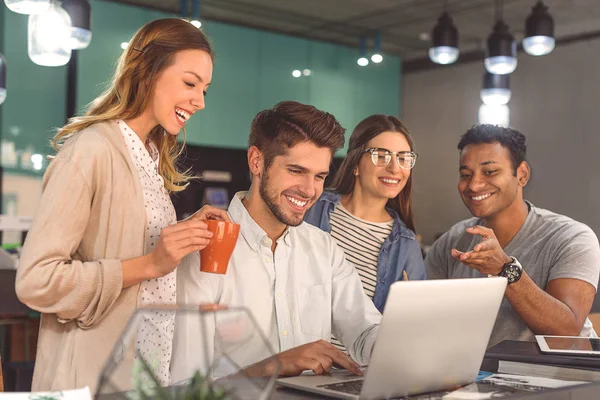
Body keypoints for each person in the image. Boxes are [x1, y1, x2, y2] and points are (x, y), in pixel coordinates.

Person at [15, 18, 227, 391]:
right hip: (89, 378)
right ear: (147, 71)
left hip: (143, 374)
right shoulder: (90, 150)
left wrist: (184, 231)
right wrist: (150, 264)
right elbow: (36, 281)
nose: (201, 101)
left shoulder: (148, 155)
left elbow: (130, 241)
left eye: (205, 89)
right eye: (190, 83)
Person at [172, 101, 381, 382]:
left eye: (320, 176)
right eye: (296, 171)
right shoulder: (204, 247)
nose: (309, 190)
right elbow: (184, 385)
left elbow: (366, 332)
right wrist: (272, 367)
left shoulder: (324, 249)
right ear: (256, 161)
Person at [425, 124, 600, 346]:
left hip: (564, 378)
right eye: (465, 174)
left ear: (522, 175)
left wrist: (505, 270)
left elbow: (565, 333)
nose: (474, 184)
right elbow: (431, 326)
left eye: (490, 172)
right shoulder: (450, 243)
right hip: (480, 377)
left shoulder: (571, 238)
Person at [305, 115, 426, 317]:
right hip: (298, 347)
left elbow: (413, 320)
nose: (395, 168)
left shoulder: (406, 244)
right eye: (381, 155)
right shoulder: (313, 207)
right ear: (355, 164)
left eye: (403, 158)